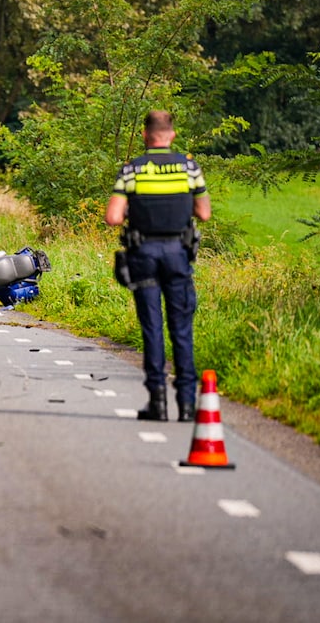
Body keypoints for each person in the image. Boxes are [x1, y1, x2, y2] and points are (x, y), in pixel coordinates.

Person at [106, 110, 212, 422]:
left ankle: (158, 402)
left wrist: (135, 210)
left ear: (145, 135)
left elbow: (113, 217)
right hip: (178, 254)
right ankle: (188, 404)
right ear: (172, 135)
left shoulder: (132, 170)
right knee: (181, 328)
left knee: (152, 327)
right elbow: (204, 214)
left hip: (144, 255)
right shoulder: (189, 168)